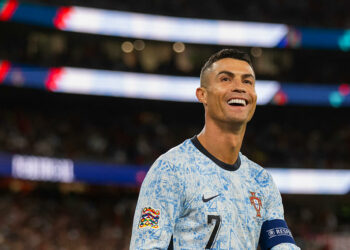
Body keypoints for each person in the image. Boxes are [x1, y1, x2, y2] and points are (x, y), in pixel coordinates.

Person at [130, 49, 300, 249]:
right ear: (203, 95)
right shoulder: (171, 169)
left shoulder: (262, 181)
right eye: (226, 79)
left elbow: (283, 246)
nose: (239, 87)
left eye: (247, 81)